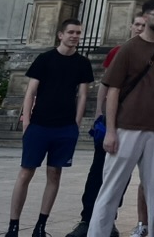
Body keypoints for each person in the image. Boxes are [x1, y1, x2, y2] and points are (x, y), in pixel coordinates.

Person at [87, 0, 154, 237]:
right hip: (126, 128)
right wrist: (110, 130)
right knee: (110, 190)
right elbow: (113, 91)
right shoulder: (128, 49)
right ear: (146, 16)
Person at [8, 19, 95, 237]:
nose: (75, 36)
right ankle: (13, 225)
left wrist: (76, 124)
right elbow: (31, 92)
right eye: (71, 32)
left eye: (78, 33)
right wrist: (26, 121)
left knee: (55, 174)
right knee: (25, 173)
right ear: (60, 35)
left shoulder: (82, 63)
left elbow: (83, 95)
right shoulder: (45, 59)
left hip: (65, 127)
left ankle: (41, 225)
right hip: (39, 124)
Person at [67, 16, 147, 237]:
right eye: (137, 24)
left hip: (133, 123)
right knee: (98, 170)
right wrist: (99, 113)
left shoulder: (151, 55)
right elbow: (106, 84)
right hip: (111, 121)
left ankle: (109, 219)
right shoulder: (117, 52)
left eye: (143, 25)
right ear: (131, 26)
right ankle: (87, 218)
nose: (140, 28)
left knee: (122, 175)